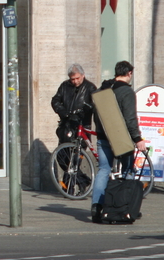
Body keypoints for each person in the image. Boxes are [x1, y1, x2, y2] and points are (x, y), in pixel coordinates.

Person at [91, 61, 147, 223]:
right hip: (122, 139)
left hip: (103, 136)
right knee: (128, 171)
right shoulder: (127, 92)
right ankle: (126, 207)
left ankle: (97, 207)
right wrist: (137, 139)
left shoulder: (103, 89)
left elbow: (97, 115)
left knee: (103, 170)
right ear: (129, 73)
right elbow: (130, 118)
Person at [51, 64, 97, 143]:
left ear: (83, 75)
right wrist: (63, 112)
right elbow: (55, 100)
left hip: (82, 124)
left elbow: (96, 104)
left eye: (77, 78)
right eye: (72, 79)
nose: (75, 81)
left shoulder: (90, 87)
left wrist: (87, 109)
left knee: (80, 151)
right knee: (63, 151)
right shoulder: (64, 86)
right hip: (66, 125)